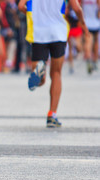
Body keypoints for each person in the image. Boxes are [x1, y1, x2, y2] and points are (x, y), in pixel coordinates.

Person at [18, 0, 89, 128]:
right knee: (56, 73)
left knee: (40, 78)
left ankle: (40, 73)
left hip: (38, 32)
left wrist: (33, 15)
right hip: (58, 32)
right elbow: (77, 8)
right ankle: (52, 115)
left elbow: (20, 6)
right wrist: (83, 23)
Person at [82, 0, 100, 74]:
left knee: (88, 41)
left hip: (87, 22)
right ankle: (94, 61)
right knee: (95, 41)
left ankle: (88, 57)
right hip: (95, 22)